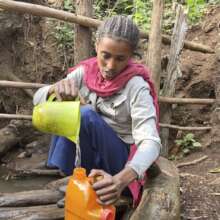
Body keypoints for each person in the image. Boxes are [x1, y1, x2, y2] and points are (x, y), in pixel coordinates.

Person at [33, 15, 161, 207]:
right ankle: (79, 180)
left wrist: (122, 179)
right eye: (105, 56)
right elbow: (37, 101)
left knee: (85, 115)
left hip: (119, 164)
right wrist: (54, 89)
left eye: (120, 59)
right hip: (91, 158)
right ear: (96, 46)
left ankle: (106, 186)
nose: (110, 66)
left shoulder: (137, 86)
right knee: (66, 109)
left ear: (131, 56)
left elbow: (151, 142)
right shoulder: (86, 72)